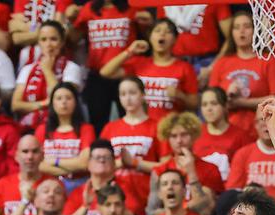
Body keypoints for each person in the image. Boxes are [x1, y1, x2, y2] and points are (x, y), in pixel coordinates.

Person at [70, 0, 152, 133]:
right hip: (97, 75)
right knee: (98, 125)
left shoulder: (133, 7)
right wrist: (69, 20)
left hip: (125, 73)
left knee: (132, 120)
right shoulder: (89, 9)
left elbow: (149, 35)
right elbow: (72, 39)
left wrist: (150, 23)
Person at [100, 18, 199, 124]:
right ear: (150, 37)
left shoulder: (184, 67)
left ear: (175, 39)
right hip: (142, 127)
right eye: (157, 31)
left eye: (168, 32)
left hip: (170, 129)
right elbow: (105, 72)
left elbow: (194, 104)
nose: (162, 34)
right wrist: (130, 51)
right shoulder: (139, 63)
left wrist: (180, 96)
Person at [207, 12, 275, 137]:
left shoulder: (269, 60)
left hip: (261, 129)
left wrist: (241, 102)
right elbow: (212, 99)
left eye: (247, 26)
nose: (242, 31)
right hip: (227, 129)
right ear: (231, 33)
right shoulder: (221, 63)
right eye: (237, 27)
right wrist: (227, 95)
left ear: (256, 31)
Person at [12, 20, 85, 134]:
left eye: (53, 39)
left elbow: (63, 100)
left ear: (62, 42)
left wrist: (47, 70)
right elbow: (15, 105)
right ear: (38, 43)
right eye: (43, 39)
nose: (48, 44)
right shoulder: (27, 69)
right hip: (29, 127)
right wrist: (43, 104)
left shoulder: (72, 68)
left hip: (59, 127)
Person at [100, 76, 162, 209]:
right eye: (123, 94)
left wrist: (134, 163)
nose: (128, 98)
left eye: (132, 93)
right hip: (115, 198)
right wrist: (120, 163)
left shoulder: (156, 126)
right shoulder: (110, 128)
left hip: (147, 196)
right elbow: (99, 165)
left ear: (143, 95)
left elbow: (166, 165)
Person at [151, 111, 224, 215]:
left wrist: (191, 172)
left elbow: (206, 209)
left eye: (184, 135)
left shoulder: (210, 169)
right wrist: (184, 209)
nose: (179, 140)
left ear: (194, 136)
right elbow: (151, 212)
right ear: (168, 138)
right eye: (173, 136)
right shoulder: (160, 170)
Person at [36, 82, 97, 185]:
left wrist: (55, 161)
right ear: (52, 103)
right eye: (59, 98)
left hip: (78, 182)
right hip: (48, 184)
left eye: (68, 98)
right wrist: (70, 168)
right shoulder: (42, 130)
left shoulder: (86, 129)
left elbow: (84, 163)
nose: (64, 102)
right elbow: (38, 164)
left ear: (75, 102)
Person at [0, 134, 50, 215]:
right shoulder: (2, 184)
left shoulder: (53, 186)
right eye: (25, 152)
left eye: (35, 151)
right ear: (16, 156)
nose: (30, 157)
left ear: (42, 155)